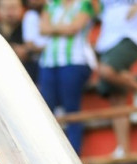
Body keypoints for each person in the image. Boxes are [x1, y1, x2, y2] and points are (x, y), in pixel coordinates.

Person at [94, 0, 137, 159]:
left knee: (107, 71)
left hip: (132, 34)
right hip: (109, 37)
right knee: (116, 97)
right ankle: (123, 149)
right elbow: (99, 11)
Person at [38, 0, 96, 154]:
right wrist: (64, 28)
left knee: (71, 106)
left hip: (75, 60)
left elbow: (74, 28)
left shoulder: (85, 4)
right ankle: (49, 151)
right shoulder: (51, 4)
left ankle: (74, 151)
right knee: (47, 107)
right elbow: (43, 29)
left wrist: (53, 28)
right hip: (49, 61)